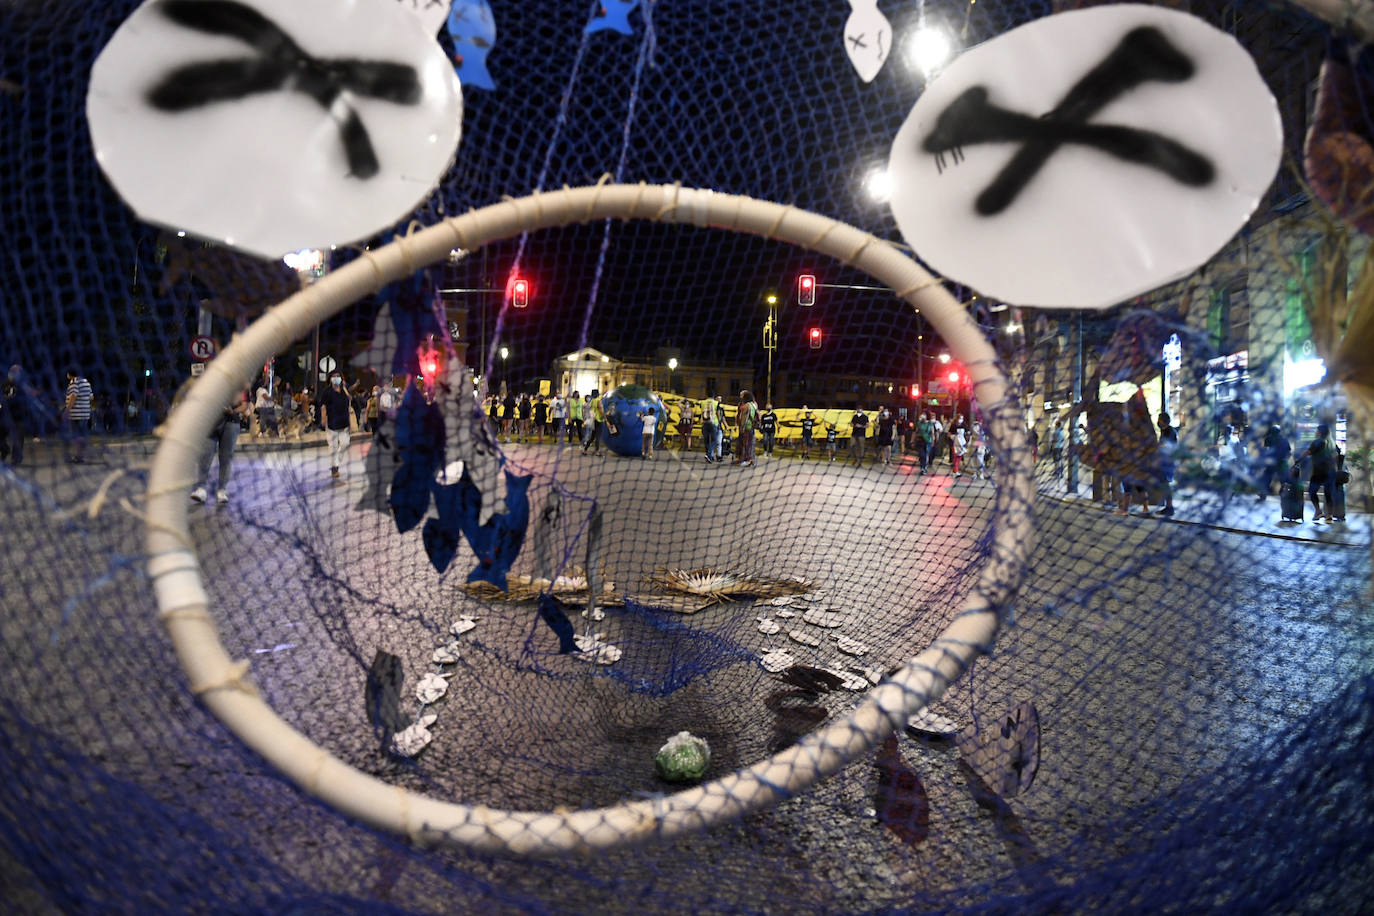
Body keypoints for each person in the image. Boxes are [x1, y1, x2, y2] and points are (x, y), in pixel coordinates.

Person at [191, 388, 251, 505]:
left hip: (231, 423)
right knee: (205, 456)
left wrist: (233, 411)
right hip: (210, 422)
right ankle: (201, 489)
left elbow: (245, 405)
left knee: (225, 458)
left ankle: (222, 490)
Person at [320, 369, 353, 478]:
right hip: (332, 423)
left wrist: (344, 388)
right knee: (333, 447)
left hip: (344, 423)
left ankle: (336, 462)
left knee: (345, 443)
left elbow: (349, 400)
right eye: (333, 376)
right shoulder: (327, 391)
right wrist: (323, 419)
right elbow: (323, 406)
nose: (336, 378)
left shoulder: (343, 390)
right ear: (329, 379)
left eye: (338, 376)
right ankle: (335, 468)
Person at [1302, 423, 1336, 523]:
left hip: (1319, 472)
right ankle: (1329, 516)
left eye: (1317, 430)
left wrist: (1298, 460)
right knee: (1328, 494)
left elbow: (1307, 452)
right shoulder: (1331, 442)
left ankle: (1318, 511)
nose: (1315, 432)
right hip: (1330, 472)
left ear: (1320, 432)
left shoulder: (1317, 442)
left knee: (1312, 492)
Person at [63, 368, 93, 463]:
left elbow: (73, 396)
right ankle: (80, 455)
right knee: (81, 434)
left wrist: (67, 410)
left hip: (76, 414)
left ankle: (79, 455)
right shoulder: (86, 382)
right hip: (85, 413)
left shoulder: (74, 382)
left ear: (69, 374)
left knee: (76, 434)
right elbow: (91, 397)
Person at [1254, 424, 1292, 500]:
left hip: (1272, 462)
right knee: (1283, 480)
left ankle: (1263, 494)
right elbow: (1289, 452)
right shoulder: (1285, 439)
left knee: (1267, 477)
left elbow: (1267, 451)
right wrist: (1285, 460)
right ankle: (1284, 494)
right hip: (1282, 462)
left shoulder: (1268, 438)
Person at [1154, 412, 1177, 517]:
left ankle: (1170, 507)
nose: (1158, 422)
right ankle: (1168, 507)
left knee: (1166, 484)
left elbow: (1167, 446)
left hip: (1168, 462)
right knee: (1164, 484)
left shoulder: (1170, 431)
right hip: (1164, 461)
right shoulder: (1164, 431)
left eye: (1160, 419)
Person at [1, 379, 26, 465]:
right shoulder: (3, 386)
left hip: (16, 420)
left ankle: (16, 457)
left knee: (18, 435)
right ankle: (4, 451)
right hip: (3, 420)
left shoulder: (21, 389)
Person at [735, 390, 757, 467]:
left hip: (746, 428)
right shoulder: (753, 405)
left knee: (745, 444)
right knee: (749, 444)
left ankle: (747, 460)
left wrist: (742, 428)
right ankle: (747, 459)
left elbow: (745, 418)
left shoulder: (746, 406)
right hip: (751, 427)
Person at [582, 391, 603, 456]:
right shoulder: (598, 400)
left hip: (593, 420)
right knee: (598, 437)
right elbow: (600, 410)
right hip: (598, 420)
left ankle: (585, 450)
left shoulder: (592, 401)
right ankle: (597, 451)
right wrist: (605, 417)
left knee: (592, 437)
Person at [701, 392, 720, 463]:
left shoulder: (702, 402)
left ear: (706, 395)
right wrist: (720, 423)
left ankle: (708, 455)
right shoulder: (716, 403)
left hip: (705, 423)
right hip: (713, 423)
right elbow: (718, 414)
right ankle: (709, 454)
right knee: (714, 440)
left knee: (706, 440)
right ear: (714, 396)